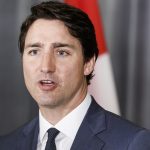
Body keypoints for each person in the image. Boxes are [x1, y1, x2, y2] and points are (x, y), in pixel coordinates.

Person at [0, 1, 150, 150]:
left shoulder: (133, 143)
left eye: (61, 52)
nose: (46, 67)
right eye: (34, 51)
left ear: (88, 63)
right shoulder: (7, 144)